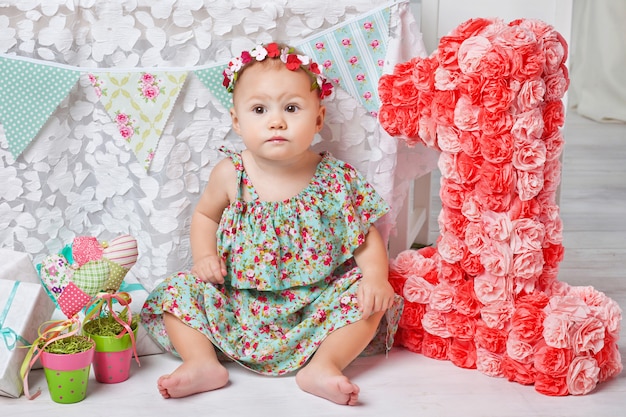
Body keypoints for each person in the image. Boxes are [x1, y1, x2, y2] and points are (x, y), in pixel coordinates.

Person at [141, 42, 400, 406]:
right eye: (260, 109)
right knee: (177, 290)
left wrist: (375, 278)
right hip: (238, 301)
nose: (276, 121)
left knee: (369, 299)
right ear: (237, 121)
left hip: (315, 303)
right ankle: (201, 362)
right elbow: (205, 215)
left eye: (292, 108)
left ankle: (324, 365)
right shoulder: (231, 173)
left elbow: (364, 235)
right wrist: (204, 256)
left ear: (318, 119)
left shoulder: (335, 178)